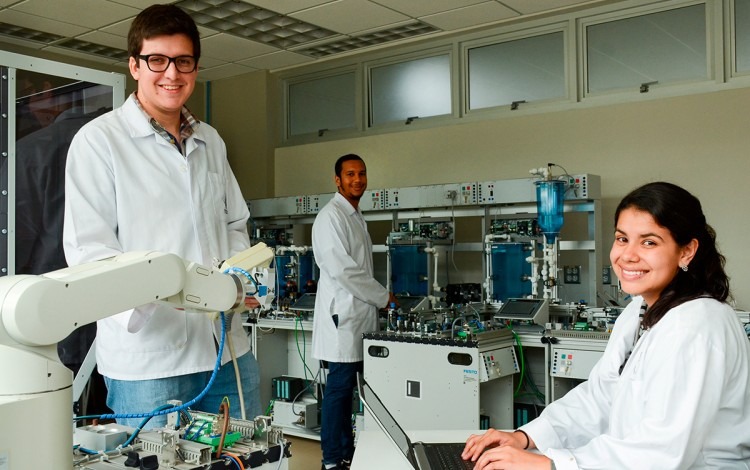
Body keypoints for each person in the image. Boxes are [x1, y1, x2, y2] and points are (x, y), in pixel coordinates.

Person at [62, 4, 261, 427]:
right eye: (158, 60)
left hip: (227, 351)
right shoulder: (99, 142)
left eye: (183, 61)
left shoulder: (210, 141)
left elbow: (233, 224)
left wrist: (240, 278)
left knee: (248, 455)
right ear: (135, 65)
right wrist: (166, 292)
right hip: (149, 361)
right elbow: (89, 252)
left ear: (195, 67)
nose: (172, 74)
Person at [462, 181, 750, 469]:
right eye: (622, 239)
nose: (628, 255)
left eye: (649, 242)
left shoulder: (697, 325)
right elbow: (600, 397)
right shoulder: (640, 309)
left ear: (686, 251)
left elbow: (661, 452)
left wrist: (549, 465)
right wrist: (525, 438)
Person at [311, 154, 397, 470]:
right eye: (350, 174)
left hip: (358, 317)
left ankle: (347, 453)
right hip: (342, 319)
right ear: (337, 180)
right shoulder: (330, 217)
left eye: (361, 173)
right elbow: (344, 271)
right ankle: (332, 460)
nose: (357, 179)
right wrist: (383, 297)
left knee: (349, 392)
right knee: (338, 391)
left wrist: (378, 300)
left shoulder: (355, 215)